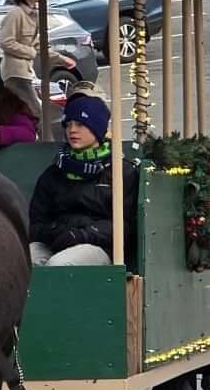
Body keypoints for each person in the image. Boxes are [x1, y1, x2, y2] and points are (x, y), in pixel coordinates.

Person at [28, 92, 140, 267]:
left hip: (100, 247)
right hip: (56, 241)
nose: (72, 130)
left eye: (80, 124)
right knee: (24, 260)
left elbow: (125, 225)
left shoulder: (119, 170)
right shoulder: (55, 171)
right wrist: (53, 232)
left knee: (59, 265)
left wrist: (84, 235)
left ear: (96, 128)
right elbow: (36, 222)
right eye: (68, 124)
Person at [0, 0, 77, 121]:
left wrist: (62, 60)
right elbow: (6, 42)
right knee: (36, 113)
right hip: (14, 74)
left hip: (26, 74)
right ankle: (45, 143)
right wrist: (29, 52)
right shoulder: (16, 14)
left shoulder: (34, 16)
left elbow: (39, 46)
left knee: (22, 115)